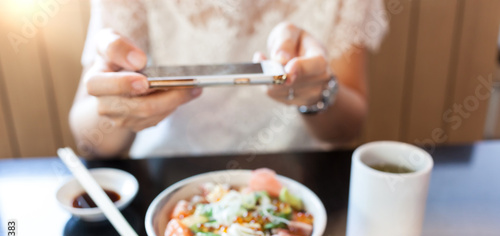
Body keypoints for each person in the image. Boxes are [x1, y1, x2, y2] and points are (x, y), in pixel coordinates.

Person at [70, 0, 388, 159]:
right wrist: (117, 106)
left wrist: (319, 93)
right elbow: (92, 138)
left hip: (300, 177)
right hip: (163, 178)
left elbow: (348, 128)